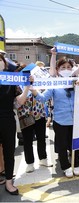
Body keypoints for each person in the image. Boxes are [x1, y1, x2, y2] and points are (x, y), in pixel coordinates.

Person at [32, 52, 79, 179]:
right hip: (60, 121)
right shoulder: (54, 84)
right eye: (63, 68)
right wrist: (32, 89)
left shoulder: (76, 83)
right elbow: (42, 98)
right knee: (62, 146)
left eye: (69, 67)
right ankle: (66, 166)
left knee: (75, 144)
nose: (66, 70)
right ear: (57, 70)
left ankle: (76, 163)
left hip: (75, 120)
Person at [0, 54, 34, 195]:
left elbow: (17, 102)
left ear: (4, 64)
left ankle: (9, 181)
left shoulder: (11, 81)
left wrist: (27, 87)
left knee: (9, 152)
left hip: (7, 121)